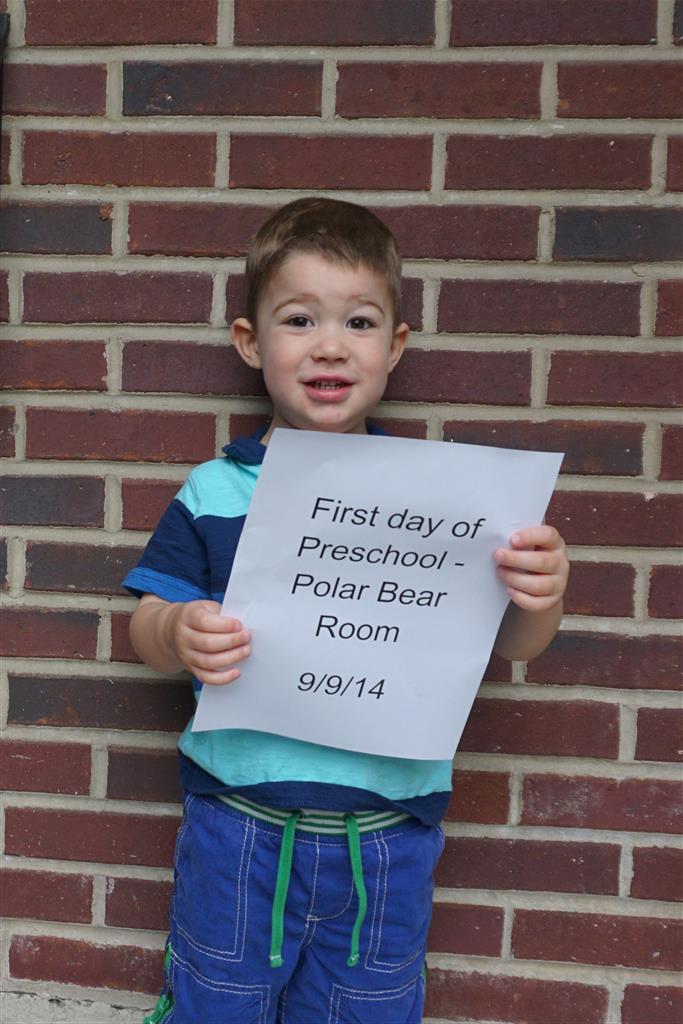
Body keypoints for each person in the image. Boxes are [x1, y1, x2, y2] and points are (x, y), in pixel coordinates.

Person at [124, 197, 569, 1024]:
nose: (329, 344)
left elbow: (514, 644)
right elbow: (147, 624)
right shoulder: (215, 491)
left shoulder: (445, 503)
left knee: (363, 1011)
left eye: (358, 322)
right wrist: (176, 631)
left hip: (387, 839)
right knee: (216, 1006)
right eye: (299, 319)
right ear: (250, 342)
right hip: (239, 827)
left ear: (393, 347)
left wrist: (541, 593)